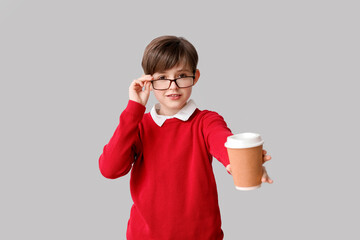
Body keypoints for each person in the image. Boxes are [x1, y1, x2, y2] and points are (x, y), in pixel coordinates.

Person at [99, 35, 273, 240]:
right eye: (162, 77)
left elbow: (222, 140)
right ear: (149, 81)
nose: (173, 86)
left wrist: (240, 160)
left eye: (181, 75)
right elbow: (110, 169)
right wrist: (134, 109)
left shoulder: (206, 121)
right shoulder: (138, 125)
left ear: (195, 76)